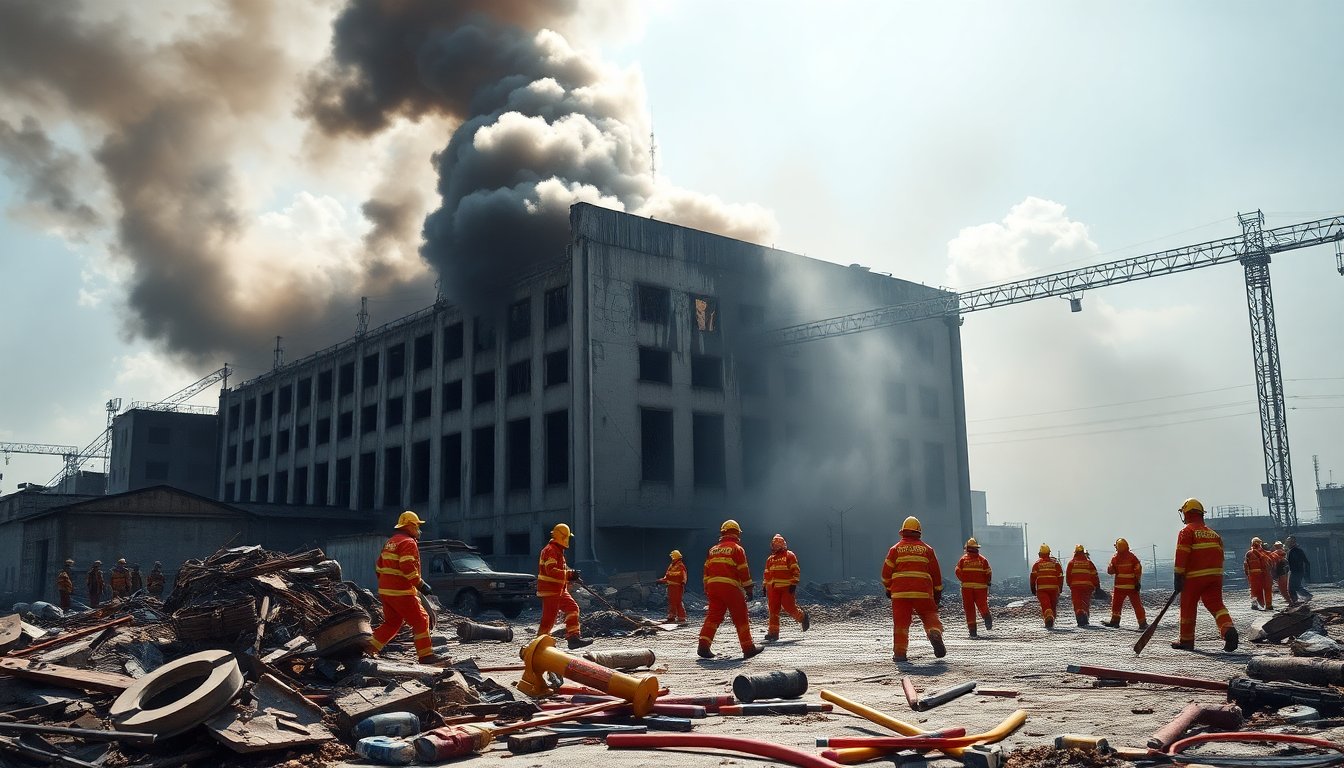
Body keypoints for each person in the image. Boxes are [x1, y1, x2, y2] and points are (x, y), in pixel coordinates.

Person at [368, 511, 441, 663]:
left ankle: (368, 648)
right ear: (410, 526)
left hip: (386, 591)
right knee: (421, 620)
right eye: (417, 526)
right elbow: (407, 566)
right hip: (400, 591)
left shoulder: (391, 542)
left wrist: (385, 584)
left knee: (392, 623)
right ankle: (426, 656)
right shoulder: (408, 542)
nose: (418, 530)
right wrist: (421, 585)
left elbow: (379, 567)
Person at [1172, 498, 1237, 652]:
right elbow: (1221, 556)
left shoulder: (1187, 531)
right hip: (1215, 576)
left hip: (1194, 577)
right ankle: (1228, 629)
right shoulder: (1214, 534)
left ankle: (1186, 641)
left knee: (1188, 606)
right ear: (1201, 514)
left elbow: (1182, 555)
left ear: (1187, 513)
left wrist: (1178, 576)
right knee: (1216, 605)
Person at [881, 516, 945, 663]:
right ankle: (934, 633)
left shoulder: (895, 549)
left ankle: (900, 654)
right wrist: (937, 591)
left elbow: (886, 573)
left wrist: (888, 588)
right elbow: (936, 573)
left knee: (901, 624)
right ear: (918, 532)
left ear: (903, 531)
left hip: (900, 593)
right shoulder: (927, 549)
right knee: (929, 615)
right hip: (922, 591)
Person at [698, 519, 764, 660]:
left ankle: (703, 646)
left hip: (713, 586)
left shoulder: (713, 549)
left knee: (713, 616)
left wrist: (707, 588)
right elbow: (743, 571)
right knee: (741, 616)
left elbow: (706, 571)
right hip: (729, 586)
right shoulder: (737, 549)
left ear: (723, 532)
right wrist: (749, 589)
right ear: (737, 533)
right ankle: (748, 648)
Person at [537, 523, 592, 650]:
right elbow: (551, 570)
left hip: (559, 589)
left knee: (573, 608)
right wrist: (569, 574)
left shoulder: (557, 550)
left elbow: (562, 569)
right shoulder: (550, 550)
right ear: (563, 536)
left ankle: (573, 638)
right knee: (549, 619)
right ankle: (540, 644)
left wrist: (573, 575)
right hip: (550, 590)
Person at [762, 534, 811, 641]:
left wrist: (794, 583)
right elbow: (766, 573)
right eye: (773, 544)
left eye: (776, 544)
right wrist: (764, 585)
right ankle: (773, 633)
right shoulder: (770, 559)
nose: (774, 546)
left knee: (789, 607)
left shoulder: (789, 555)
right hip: (773, 588)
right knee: (773, 610)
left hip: (786, 587)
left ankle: (802, 617)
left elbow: (795, 570)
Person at [1102, 538, 1147, 629]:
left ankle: (1115, 621)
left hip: (1119, 586)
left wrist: (1110, 566)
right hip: (1132, 586)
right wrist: (1138, 582)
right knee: (1137, 604)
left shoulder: (1115, 558)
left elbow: (1110, 571)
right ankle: (1142, 623)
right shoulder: (1132, 557)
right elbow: (1138, 569)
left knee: (1116, 604)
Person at [954, 537, 992, 636]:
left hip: (967, 588)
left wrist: (964, 579)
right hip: (981, 588)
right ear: (976, 548)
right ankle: (986, 616)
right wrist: (988, 582)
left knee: (969, 608)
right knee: (982, 604)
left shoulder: (963, 560)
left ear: (967, 548)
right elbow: (988, 572)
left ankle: (972, 631)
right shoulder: (983, 560)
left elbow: (957, 571)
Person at [1029, 544, 1062, 629]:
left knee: (1046, 604)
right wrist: (1060, 588)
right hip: (1054, 589)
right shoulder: (1055, 563)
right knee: (1053, 605)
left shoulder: (1037, 563)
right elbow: (1060, 576)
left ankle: (1049, 618)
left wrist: (1032, 588)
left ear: (1040, 553)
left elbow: (1033, 577)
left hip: (1042, 589)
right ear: (1049, 553)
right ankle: (1052, 620)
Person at [1066, 545, 1100, 626]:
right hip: (1087, 587)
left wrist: (1069, 584)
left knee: (1077, 602)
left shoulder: (1071, 563)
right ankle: (1085, 615)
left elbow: (1068, 576)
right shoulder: (1089, 563)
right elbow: (1094, 575)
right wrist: (1097, 586)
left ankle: (1079, 615)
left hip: (1075, 587)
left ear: (1075, 553)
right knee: (1085, 601)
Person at [657, 550, 688, 624]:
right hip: (670, 586)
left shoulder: (680, 565)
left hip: (677, 586)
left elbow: (684, 576)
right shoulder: (672, 565)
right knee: (672, 601)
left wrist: (683, 583)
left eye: (673, 556)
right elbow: (667, 574)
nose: (672, 558)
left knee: (677, 601)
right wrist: (662, 580)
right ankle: (672, 616)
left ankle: (681, 617)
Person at [1243, 537, 1272, 611]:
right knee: (1267, 589)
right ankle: (1268, 605)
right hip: (1264, 573)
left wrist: (1247, 574)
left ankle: (1254, 604)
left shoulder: (1249, 553)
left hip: (1253, 574)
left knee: (1254, 590)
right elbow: (1270, 563)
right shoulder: (1265, 552)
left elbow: (1246, 565)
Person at [1286, 536, 1313, 603]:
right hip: (1294, 571)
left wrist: (1307, 573)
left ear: (1293, 542)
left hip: (1296, 571)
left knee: (1292, 588)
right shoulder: (1291, 551)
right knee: (1295, 586)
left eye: (1289, 542)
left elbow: (1306, 561)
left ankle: (1301, 598)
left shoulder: (1297, 551)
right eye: (1288, 542)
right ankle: (1297, 600)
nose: (1288, 543)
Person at [1270, 541, 1294, 606]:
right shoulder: (1284, 553)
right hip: (1286, 573)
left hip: (1281, 574)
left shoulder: (1275, 554)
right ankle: (1291, 601)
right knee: (1285, 589)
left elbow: (1273, 565)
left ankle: (1290, 602)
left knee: (1283, 589)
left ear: (1275, 546)